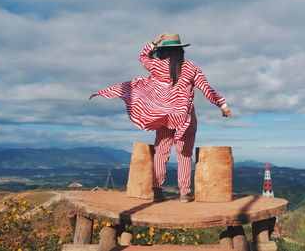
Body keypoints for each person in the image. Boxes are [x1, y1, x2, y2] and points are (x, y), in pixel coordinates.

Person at [90, 33, 231, 202]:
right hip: (184, 118)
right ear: (181, 51)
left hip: (163, 116)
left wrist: (153, 43)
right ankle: (185, 193)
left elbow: (142, 57)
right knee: (184, 155)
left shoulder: (156, 66)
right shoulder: (191, 67)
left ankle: (157, 190)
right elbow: (207, 89)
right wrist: (222, 105)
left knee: (161, 153)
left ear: (163, 51)